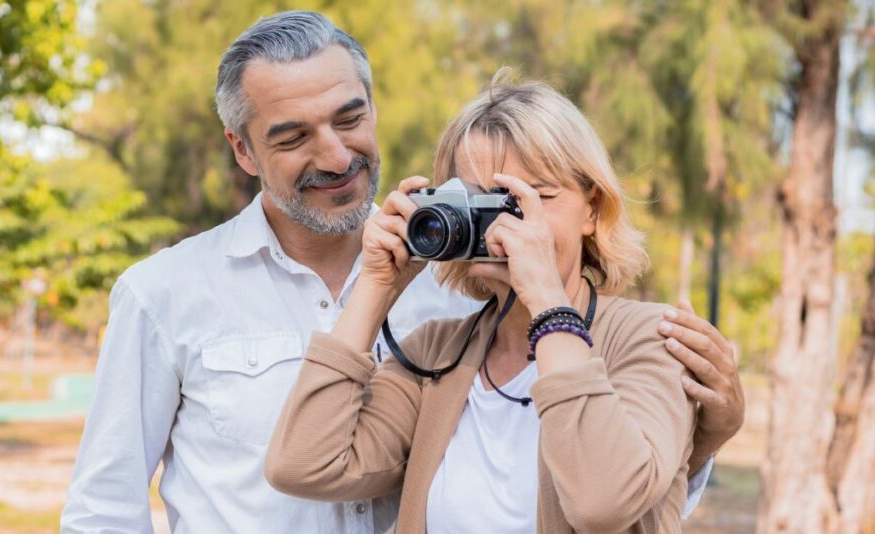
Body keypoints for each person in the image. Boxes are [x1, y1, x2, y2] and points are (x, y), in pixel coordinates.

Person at [62, 11, 743, 533]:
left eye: (349, 118)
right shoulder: (167, 294)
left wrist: (701, 433)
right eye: (293, 136)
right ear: (242, 150)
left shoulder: (620, 333)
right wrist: (377, 291)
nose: (335, 155)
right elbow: (116, 503)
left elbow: (616, 498)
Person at [265, 74, 731, 533]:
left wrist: (550, 303)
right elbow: (304, 466)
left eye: (536, 197)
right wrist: (375, 285)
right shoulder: (437, 353)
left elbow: (602, 504)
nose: (508, 225)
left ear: (592, 209)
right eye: (483, 201)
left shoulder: (652, 338)